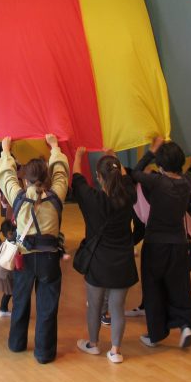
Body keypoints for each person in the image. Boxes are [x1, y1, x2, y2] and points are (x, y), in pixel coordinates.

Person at [0, 134, 69, 364]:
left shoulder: (18, 198)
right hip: (49, 260)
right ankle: (44, 353)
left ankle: (16, 343)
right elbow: (61, 174)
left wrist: (6, 152)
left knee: (20, 301)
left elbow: (6, 176)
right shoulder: (56, 196)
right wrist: (55, 148)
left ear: (24, 180)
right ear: (46, 177)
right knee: (47, 307)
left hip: (23, 260)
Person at [71, 148, 140, 364]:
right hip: (123, 261)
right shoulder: (129, 194)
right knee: (117, 308)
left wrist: (78, 156)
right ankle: (115, 351)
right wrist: (115, 158)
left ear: (98, 178)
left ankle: (93, 344)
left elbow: (76, 178)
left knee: (94, 304)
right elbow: (126, 178)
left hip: (98, 262)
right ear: (119, 174)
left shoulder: (92, 199)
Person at [131, 137, 191, 349]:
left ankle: (156, 334)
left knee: (153, 288)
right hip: (179, 244)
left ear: (160, 164)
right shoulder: (187, 182)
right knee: (179, 286)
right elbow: (189, 170)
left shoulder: (157, 182)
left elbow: (134, 173)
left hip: (155, 244)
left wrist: (151, 151)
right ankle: (186, 326)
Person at [0, 219, 17, 317]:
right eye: (14, 232)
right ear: (9, 234)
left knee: (9, 292)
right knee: (11, 292)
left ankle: (3, 309)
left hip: (2, 271)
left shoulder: (6, 242)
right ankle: (3, 310)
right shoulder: (13, 245)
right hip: (6, 273)